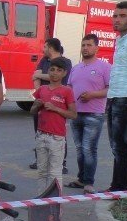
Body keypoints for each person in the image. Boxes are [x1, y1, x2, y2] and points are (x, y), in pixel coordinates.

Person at [66, 34, 111, 194]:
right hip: (75, 114)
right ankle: (81, 179)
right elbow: (69, 89)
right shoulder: (76, 68)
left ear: (96, 48)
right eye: (83, 45)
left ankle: (89, 183)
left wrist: (92, 95)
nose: (85, 48)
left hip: (94, 114)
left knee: (89, 149)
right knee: (79, 149)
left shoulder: (104, 67)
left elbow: (109, 89)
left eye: (89, 45)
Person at [30, 57, 77, 194]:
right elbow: (32, 111)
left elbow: (73, 114)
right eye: (52, 69)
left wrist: (56, 109)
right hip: (41, 135)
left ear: (64, 73)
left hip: (57, 138)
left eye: (58, 70)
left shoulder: (66, 91)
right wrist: (37, 106)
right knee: (42, 172)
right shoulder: (42, 89)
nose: (54, 73)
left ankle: (55, 205)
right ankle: (40, 202)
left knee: (55, 173)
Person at [105, 1, 127, 192]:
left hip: (126, 97)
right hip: (115, 96)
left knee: (121, 147)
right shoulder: (122, 41)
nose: (117, 20)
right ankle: (116, 187)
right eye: (115, 16)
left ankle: (119, 190)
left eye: (122, 16)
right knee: (115, 146)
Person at [30, 38, 72, 172]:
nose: (43, 49)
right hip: (42, 101)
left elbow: (59, 78)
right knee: (39, 130)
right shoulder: (44, 60)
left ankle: (62, 163)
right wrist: (39, 93)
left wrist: (42, 75)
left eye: (45, 47)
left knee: (58, 132)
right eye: (52, 69)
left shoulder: (66, 62)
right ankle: (40, 159)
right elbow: (35, 77)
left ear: (51, 48)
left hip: (58, 102)